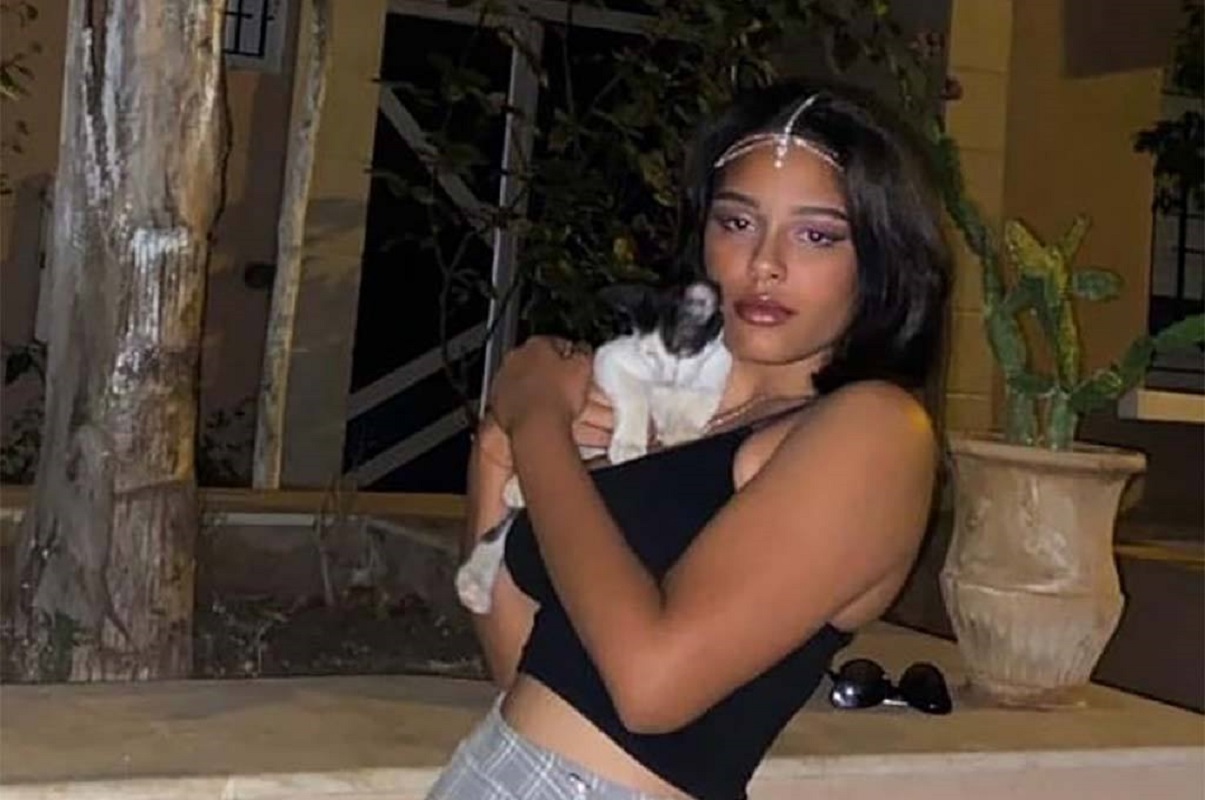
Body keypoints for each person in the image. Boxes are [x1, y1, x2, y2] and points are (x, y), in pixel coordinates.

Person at [426, 79, 952, 800]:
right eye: (736, 222)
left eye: (816, 235)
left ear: (881, 258)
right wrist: (497, 450)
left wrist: (537, 421)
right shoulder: (674, 418)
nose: (764, 262)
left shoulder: (876, 432)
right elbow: (527, 672)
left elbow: (651, 687)